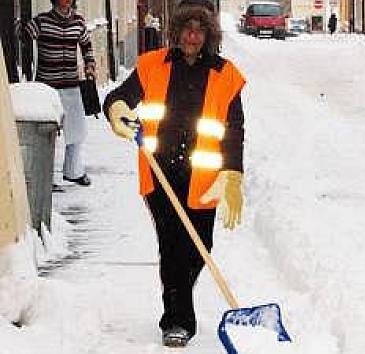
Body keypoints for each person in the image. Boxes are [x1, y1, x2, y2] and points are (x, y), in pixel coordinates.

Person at [103, 0, 245, 347]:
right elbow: (119, 96)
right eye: (187, 28)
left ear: (209, 34)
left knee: (200, 246)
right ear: (176, 31)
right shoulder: (154, 65)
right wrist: (117, 108)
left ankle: (179, 301)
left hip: (204, 178)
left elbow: (234, 129)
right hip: (160, 174)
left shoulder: (225, 74)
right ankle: (177, 320)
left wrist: (233, 174)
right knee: (172, 246)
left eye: (200, 29)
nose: (192, 36)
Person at [16, 0, 95, 186]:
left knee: (77, 131)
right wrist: (18, 22)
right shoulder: (41, 21)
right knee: (47, 132)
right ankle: (45, 176)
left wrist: (89, 65)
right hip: (48, 87)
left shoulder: (78, 22)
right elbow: (23, 38)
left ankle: (73, 172)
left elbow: (86, 45)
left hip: (71, 85)